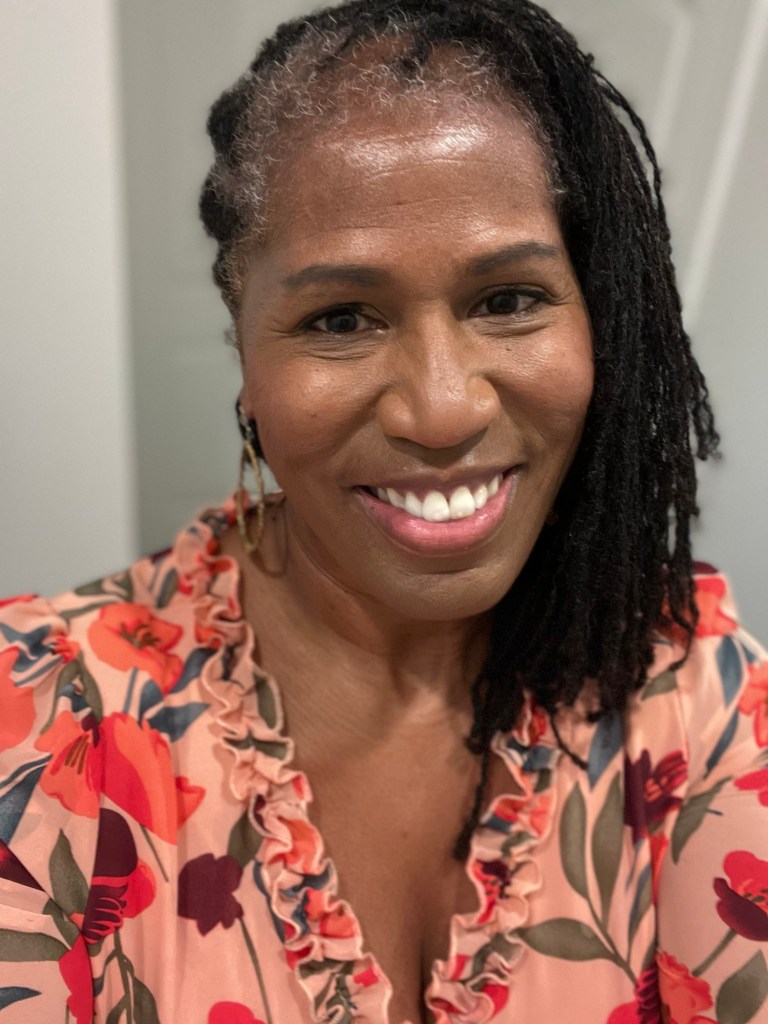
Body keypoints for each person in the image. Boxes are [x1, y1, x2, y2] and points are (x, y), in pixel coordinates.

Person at [1, 1, 766, 1022]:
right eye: (341, 318)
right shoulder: (38, 730)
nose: (442, 411)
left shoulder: (687, 689)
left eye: (508, 299)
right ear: (244, 351)